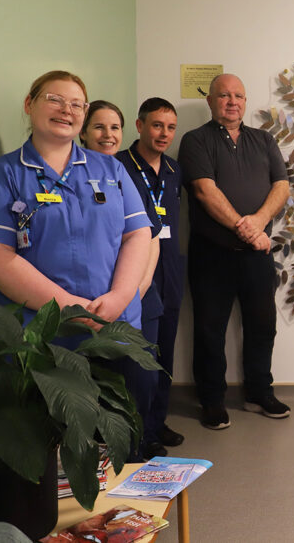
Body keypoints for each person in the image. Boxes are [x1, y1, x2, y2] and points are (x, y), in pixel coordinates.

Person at [0, 70, 150, 339]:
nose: (66, 110)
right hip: (39, 333)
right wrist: (69, 307)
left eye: (76, 104)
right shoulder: (0, 175)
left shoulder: (112, 169)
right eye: (54, 99)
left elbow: (137, 234)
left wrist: (120, 296)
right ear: (29, 104)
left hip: (116, 323)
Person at [178, 73, 290, 430]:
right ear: (210, 101)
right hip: (212, 253)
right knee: (210, 330)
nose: (232, 101)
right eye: (224, 95)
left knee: (263, 326)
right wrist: (247, 229)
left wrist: (258, 222)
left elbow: (282, 186)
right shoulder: (195, 140)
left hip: (257, 255)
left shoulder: (264, 139)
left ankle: (259, 392)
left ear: (245, 102)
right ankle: (212, 400)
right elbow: (204, 191)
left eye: (238, 96)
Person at [116, 97, 185, 458]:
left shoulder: (174, 170)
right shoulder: (119, 165)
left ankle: (157, 423)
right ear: (140, 126)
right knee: (138, 358)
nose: (164, 134)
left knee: (165, 352)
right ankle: (137, 432)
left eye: (170, 127)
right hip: (136, 270)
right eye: (157, 125)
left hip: (169, 268)